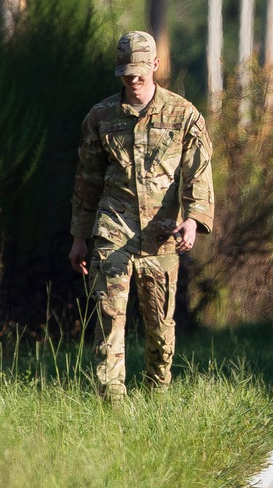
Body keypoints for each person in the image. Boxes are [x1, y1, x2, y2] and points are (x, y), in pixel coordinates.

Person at [68, 30, 214, 401]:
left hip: (162, 234)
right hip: (113, 228)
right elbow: (87, 180)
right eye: (126, 75)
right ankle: (111, 405)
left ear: (155, 66)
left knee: (159, 328)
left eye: (140, 74)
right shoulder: (101, 117)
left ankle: (156, 398)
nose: (133, 82)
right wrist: (80, 237)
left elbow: (198, 173)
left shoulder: (184, 115)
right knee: (108, 320)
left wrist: (193, 219)